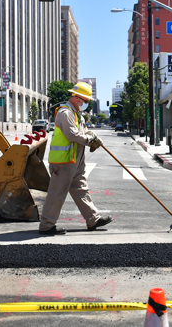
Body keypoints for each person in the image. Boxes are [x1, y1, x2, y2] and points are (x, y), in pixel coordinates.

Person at [39, 82, 112, 235]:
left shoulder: (76, 114)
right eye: (85, 101)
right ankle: (46, 225)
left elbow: (84, 132)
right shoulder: (65, 113)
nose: (86, 104)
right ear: (77, 98)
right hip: (63, 162)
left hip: (75, 161)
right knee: (57, 193)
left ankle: (93, 220)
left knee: (81, 190)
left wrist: (92, 137)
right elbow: (72, 135)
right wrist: (88, 140)